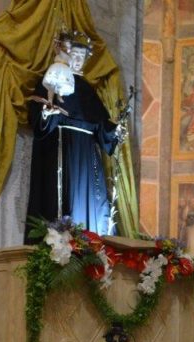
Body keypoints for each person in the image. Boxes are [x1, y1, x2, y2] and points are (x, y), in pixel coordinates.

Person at [27, 32, 120, 235]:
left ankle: (90, 240)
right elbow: (39, 121)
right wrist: (46, 113)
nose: (78, 60)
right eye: (75, 54)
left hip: (86, 157)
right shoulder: (52, 80)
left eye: (82, 56)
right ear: (65, 54)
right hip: (61, 150)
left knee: (91, 208)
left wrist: (115, 130)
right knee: (62, 202)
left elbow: (101, 125)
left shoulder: (88, 90)